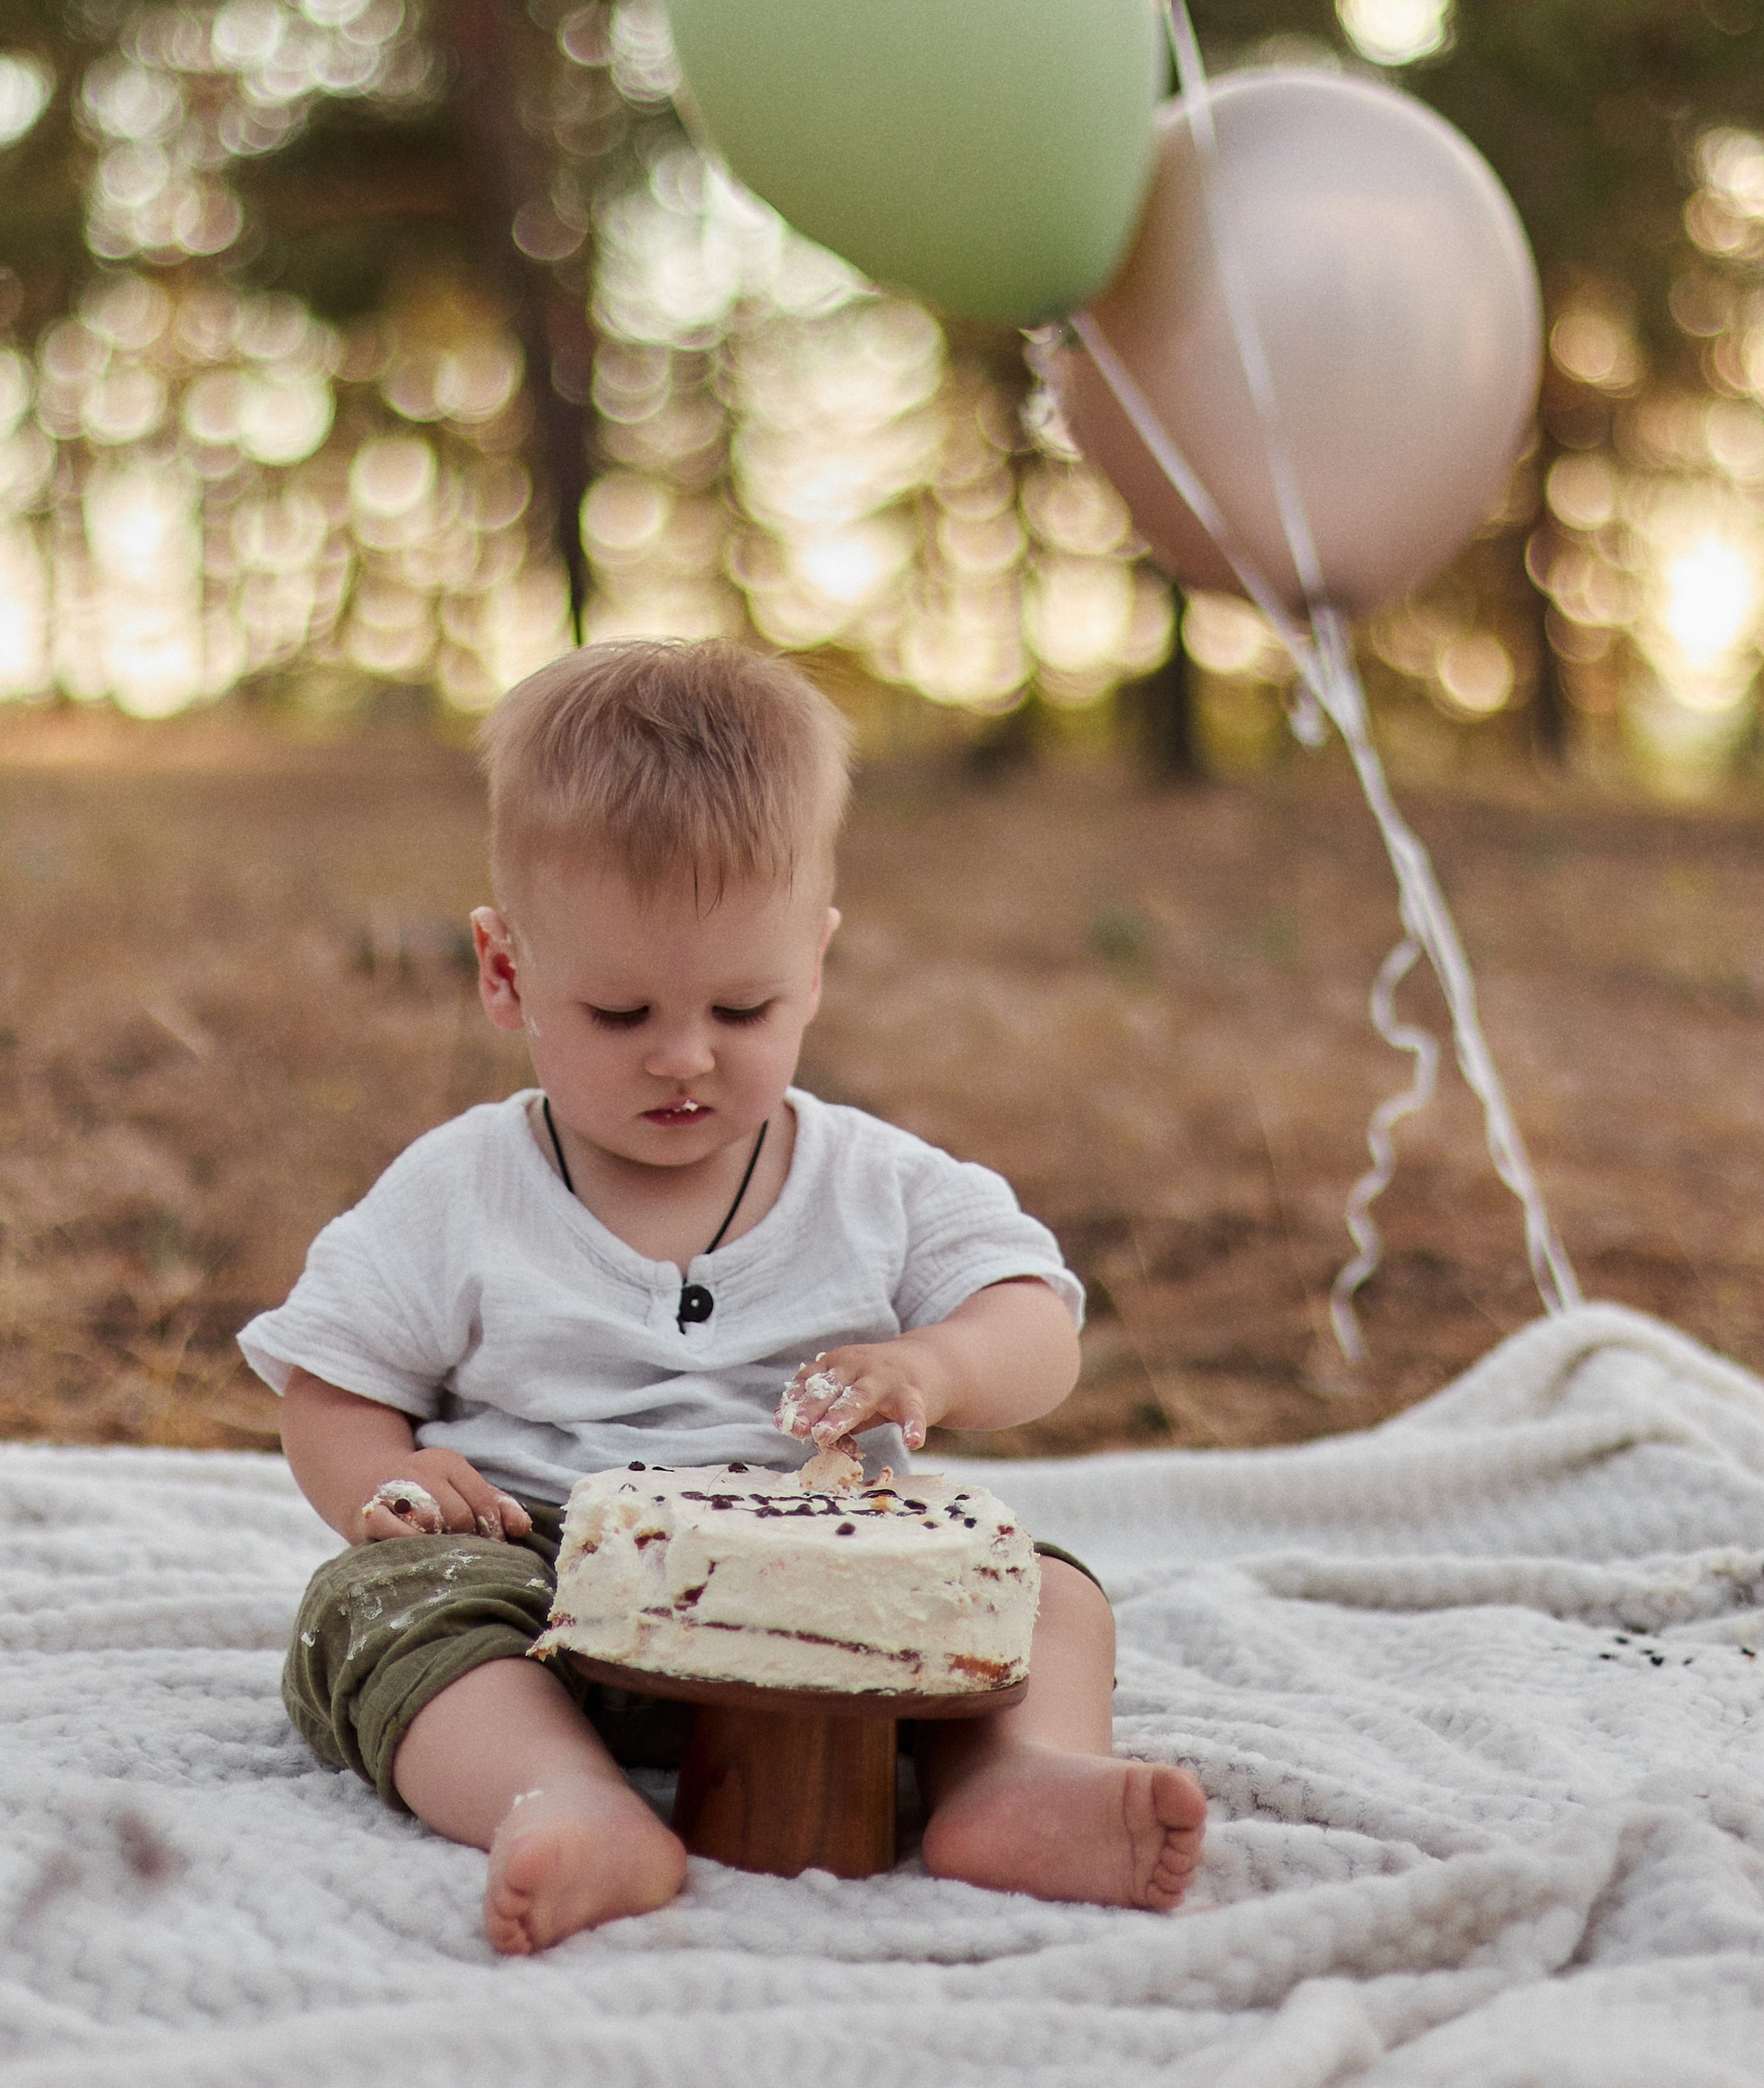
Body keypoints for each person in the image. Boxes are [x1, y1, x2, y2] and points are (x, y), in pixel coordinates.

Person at [240, 639, 1206, 1955]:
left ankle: (1010, 1782)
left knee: (1042, 1586)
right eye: (622, 1010)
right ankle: (560, 1796)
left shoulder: (874, 1181)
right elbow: (331, 1386)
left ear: (813, 966)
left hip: (842, 1600)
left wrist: (937, 1367)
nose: (685, 1056)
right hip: (545, 1603)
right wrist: (393, 1488)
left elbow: (1035, 1320)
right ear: (507, 970)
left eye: (743, 1009)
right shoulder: (460, 1190)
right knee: (369, 1607)